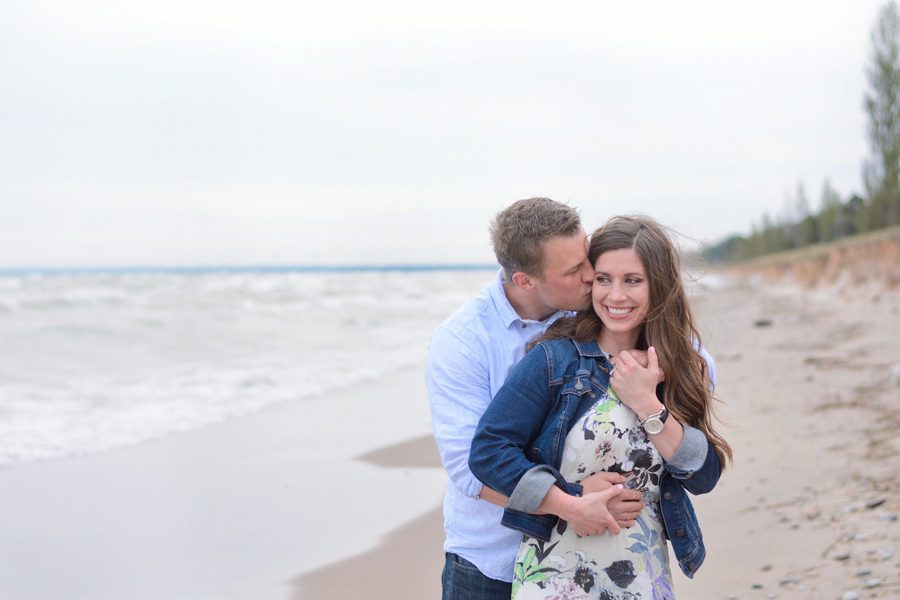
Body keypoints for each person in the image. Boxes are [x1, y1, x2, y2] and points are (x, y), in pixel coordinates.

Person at [469, 215, 733, 599]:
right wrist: (569, 498)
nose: (615, 295)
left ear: (659, 286)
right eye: (604, 279)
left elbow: (703, 476)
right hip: (555, 578)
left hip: (643, 577)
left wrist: (647, 403)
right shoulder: (555, 360)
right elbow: (489, 451)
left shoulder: (677, 367)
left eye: (633, 280)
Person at [426, 199, 649, 600]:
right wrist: (572, 499)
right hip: (492, 561)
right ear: (525, 281)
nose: (590, 276)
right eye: (573, 271)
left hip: (588, 555)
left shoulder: (599, 312)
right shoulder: (461, 341)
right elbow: (469, 468)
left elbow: (693, 360)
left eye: (587, 258)